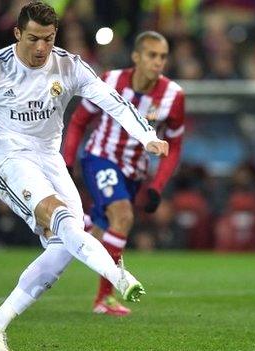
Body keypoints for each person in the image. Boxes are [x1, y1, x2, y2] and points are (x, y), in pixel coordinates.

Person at [0, 2, 169, 350]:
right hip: (7, 156)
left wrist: (147, 136)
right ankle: (117, 275)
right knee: (63, 218)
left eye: (49, 39)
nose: (41, 48)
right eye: (34, 39)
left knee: (63, 246)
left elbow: (111, 100)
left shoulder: (68, 66)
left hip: (48, 158)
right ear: (18, 34)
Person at [62, 30, 185, 316]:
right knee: (123, 215)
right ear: (136, 57)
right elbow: (80, 121)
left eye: (163, 57)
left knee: (98, 228)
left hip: (135, 172)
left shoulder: (173, 96)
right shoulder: (110, 81)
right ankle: (104, 299)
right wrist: (67, 161)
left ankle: (68, 225)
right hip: (100, 158)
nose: (158, 62)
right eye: (152, 55)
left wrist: (157, 186)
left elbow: (175, 146)